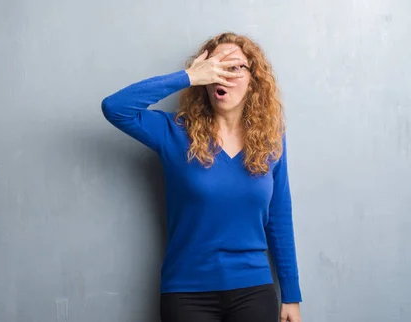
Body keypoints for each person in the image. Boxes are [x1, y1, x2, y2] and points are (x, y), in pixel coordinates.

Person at [101, 32, 303, 322]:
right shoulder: (174, 133)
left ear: (253, 80)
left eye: (234, 67)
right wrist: (188, 76)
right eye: (216, 66)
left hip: (253, 291)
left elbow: (280, 216)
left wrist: (292, 295)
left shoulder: (272, 140)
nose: (223, 75)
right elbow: (115, 108)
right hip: (187, 294)